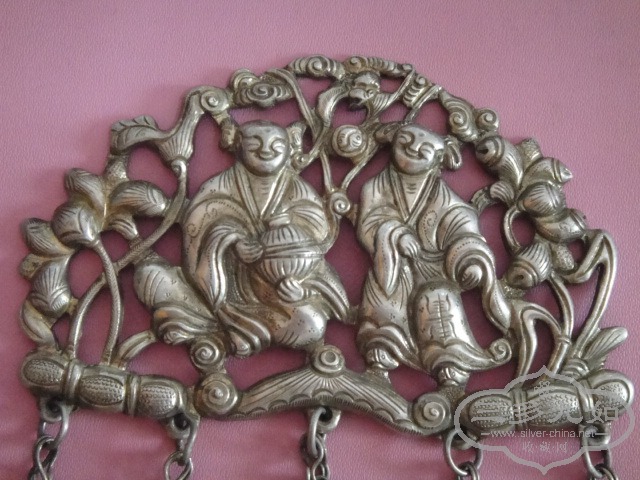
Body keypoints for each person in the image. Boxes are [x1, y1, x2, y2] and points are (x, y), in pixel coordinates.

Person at [357, 123, 510, 386]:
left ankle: (449, 368)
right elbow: (370, 222)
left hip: (435, 268)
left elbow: (460, 219)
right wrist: (395, 233)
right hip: (391, 265)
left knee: (438, 298)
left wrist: (468, 256)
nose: (413, 148)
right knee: (383, 299)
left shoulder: (441, 194)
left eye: (425, 147)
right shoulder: (374, 187)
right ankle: (380, 360)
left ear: (438, 160)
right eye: (406, 139)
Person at [182, 120, 349, 357]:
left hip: (279, 286)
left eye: (276, 143)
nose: (266, 150)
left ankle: (243, 333)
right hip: (234, 287)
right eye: (255, 142)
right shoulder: (218, 187)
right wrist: (231, 239)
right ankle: (232, 324)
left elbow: (317, 233)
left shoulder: (297, 188)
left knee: (311, 325)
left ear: (290, 147)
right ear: (237, 144)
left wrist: (301, 289)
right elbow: (198, 223)